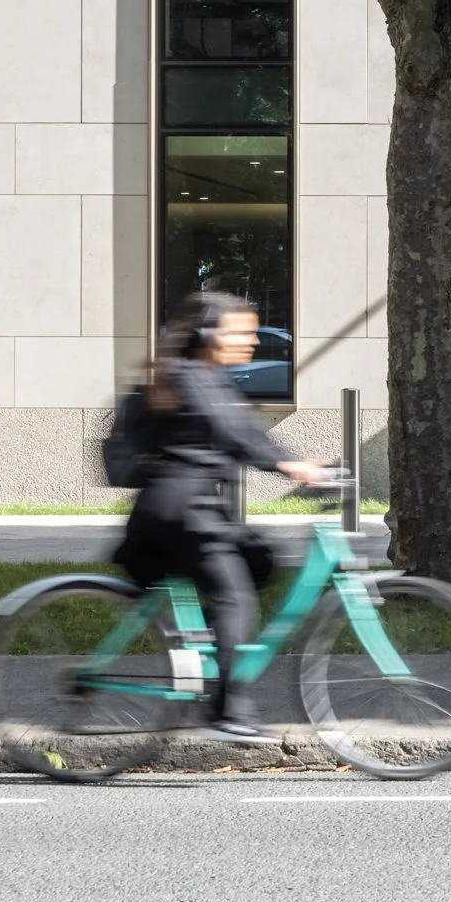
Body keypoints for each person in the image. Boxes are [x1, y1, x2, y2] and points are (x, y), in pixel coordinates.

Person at [114, 291, 328, 744]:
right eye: (243, 332)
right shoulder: (190, 377)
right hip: (178, 513)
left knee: (259, 561)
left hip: (190, 511)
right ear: (209, 335)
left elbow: (242, 429)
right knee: (235, 598)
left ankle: (203, 652)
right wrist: (290, 466)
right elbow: (232, 431)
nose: (253, 342)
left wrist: (293, 460)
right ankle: (229, 713)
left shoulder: (207, 377)